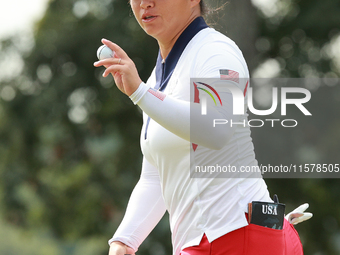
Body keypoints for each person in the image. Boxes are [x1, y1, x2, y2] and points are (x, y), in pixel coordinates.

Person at [94, 0, 311, 254]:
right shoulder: (156, 78)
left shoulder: (216, 51)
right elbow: (155, 175)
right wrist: (124, 241)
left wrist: (140, 93)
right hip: (213, 241)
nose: (145, 3)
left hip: (237, 234)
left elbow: (216, 129)